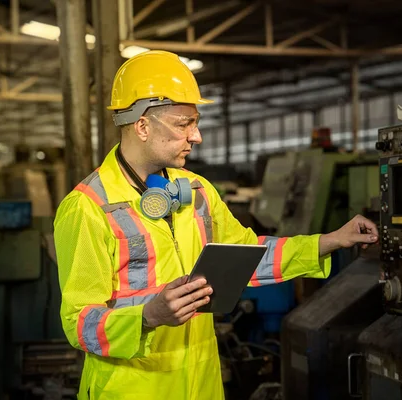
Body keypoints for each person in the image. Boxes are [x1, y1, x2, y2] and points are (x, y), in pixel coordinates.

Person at [53, 50, 379, 400]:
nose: (197, 137)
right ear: (142, 125)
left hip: (202, 383)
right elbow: (79, 323)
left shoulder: (197, 192)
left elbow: (248, 255)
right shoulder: (88, 207)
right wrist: (148, 316)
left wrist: (329, 241)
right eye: (183, 124)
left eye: (195, 123)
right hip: (132, 389)